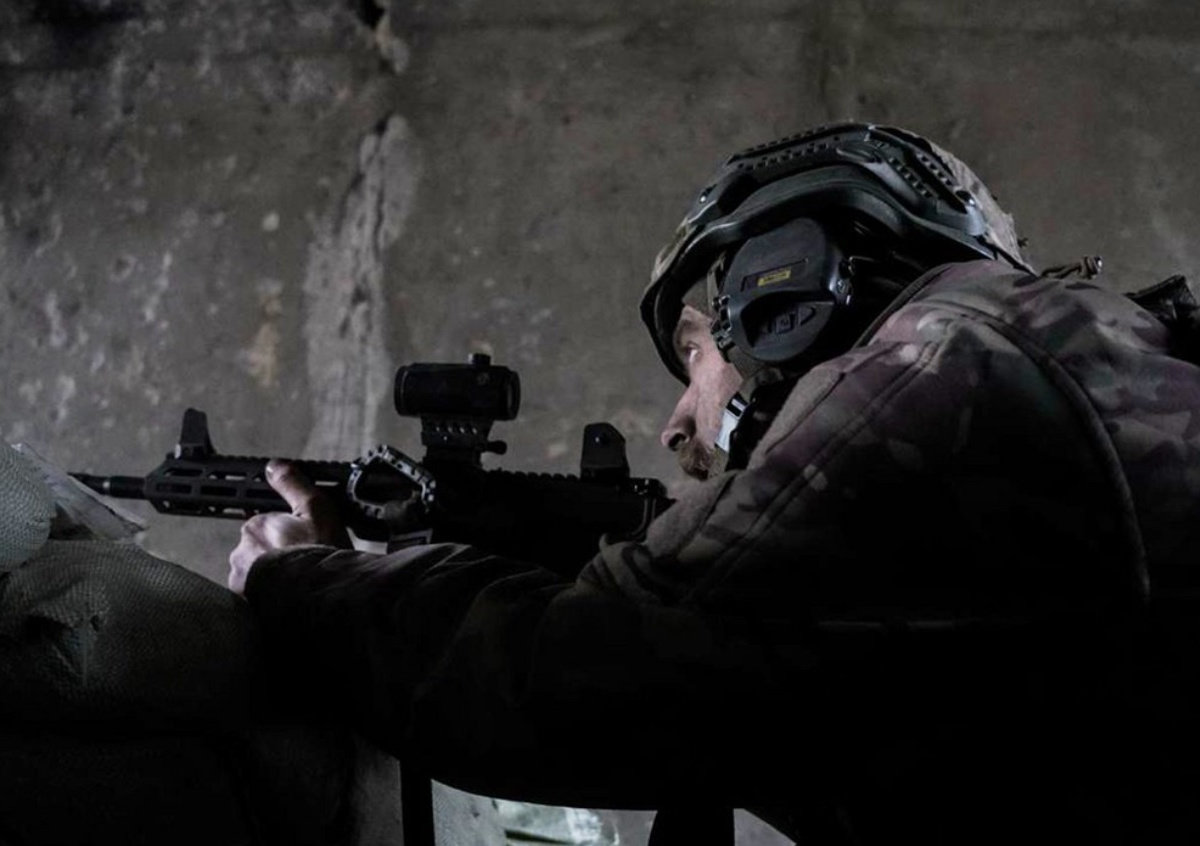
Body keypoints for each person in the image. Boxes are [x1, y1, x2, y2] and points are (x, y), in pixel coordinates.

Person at [228, 123, 1200, 844]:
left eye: (693, 354)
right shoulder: (1063, 348)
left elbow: (573, 682)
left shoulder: (936, 370)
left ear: (780, 288)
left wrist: (305, 577)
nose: (677, 423)